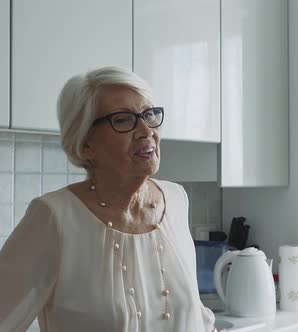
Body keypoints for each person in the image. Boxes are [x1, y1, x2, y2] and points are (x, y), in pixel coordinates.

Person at [0, 66, 216, 331]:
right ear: (85, 142)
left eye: (149, 115)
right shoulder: (54, 217)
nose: (146, 131)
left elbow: (197, 317)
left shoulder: (176, 199)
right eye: (123, 120)